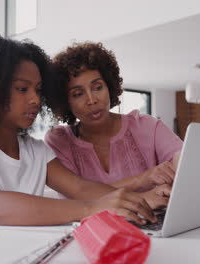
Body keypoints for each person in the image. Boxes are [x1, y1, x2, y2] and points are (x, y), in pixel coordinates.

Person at [0, 33, 165, 226]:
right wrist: (93, 208)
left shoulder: (35, 151)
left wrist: (139, 201)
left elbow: (80, 188)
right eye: (23, 89)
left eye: (38, 90)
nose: (35, 99)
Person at [44, 42, 183, 194]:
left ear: (109, 87)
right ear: (65, 101)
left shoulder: (147, 126)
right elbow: (78, 197)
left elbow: (184, 162)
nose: (92, 100)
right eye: (78, 94)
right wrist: (143, 179)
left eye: (98, 87)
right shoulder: (59, 140)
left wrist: (180, 165)